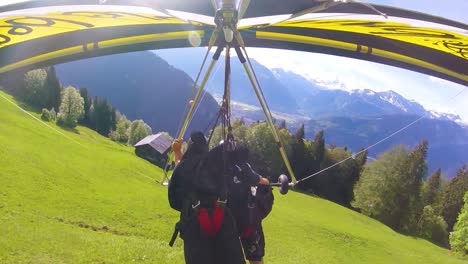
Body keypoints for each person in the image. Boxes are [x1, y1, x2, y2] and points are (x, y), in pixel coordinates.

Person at [168, 131, 246, 264]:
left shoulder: (185, 167)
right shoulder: (217, 164)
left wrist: (177, 152)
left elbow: (175, 198)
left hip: (195, 224)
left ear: (191, 146)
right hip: (224, 222)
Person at [227, 146, 273, 264]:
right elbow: (261, 181)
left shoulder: (216, 167)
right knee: (256, 259)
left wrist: (177, 152)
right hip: (247, 223)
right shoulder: (242, 167)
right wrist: (266, 182)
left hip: (227, 223)